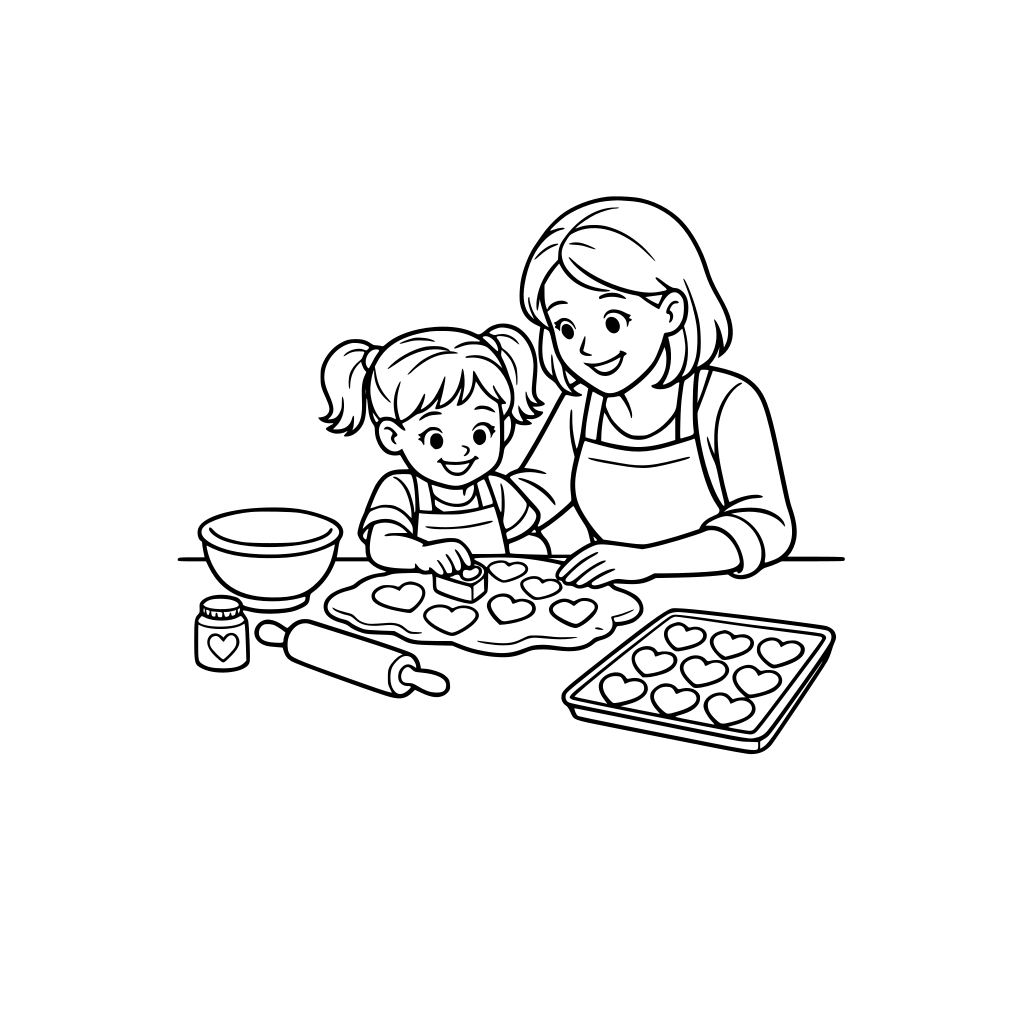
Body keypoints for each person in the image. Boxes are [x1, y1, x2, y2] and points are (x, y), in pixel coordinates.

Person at [513, 197, 795, 586]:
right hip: (616, 605)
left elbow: (767, 525)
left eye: (613, 322)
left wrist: (649, 561)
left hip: (718, 605)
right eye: (565, 327)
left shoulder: (723, 401)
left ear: (671, 312)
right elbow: (540, 491)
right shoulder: (581, 406)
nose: (587, 349)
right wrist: (455, 501)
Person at [320, 326, 546, 572]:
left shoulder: (499, 491)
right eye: (435, 439)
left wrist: (528, 562)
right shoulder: (402, 490)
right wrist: (420, 554)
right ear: (393, 436)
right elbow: (381, 545)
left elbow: (526, 539)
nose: (462, 452)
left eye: (480, 434)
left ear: (504, 429)